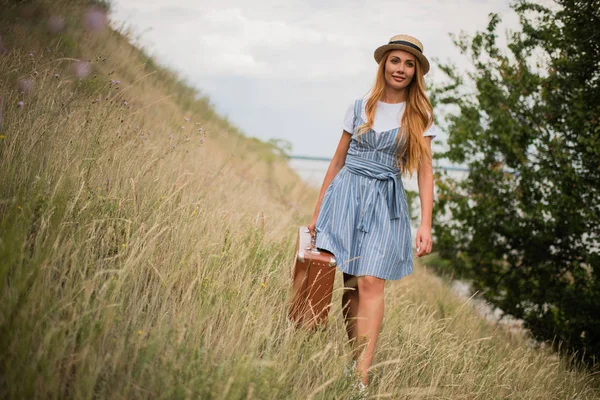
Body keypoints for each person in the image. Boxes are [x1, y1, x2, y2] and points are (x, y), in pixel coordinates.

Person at [307, 34, 436, 391]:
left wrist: (425, 223)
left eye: (409, 64)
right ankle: (354, 361)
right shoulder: (359, 106)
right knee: (350, 285)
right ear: (384, 64)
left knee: (371, 281)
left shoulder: (420, 114)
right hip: (347, 195)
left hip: (385, 201)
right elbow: (337, 160)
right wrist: (318, 212)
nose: (402, 69)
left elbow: (425, 171)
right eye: (396, 61)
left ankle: (361, 379)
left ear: (416, 72)